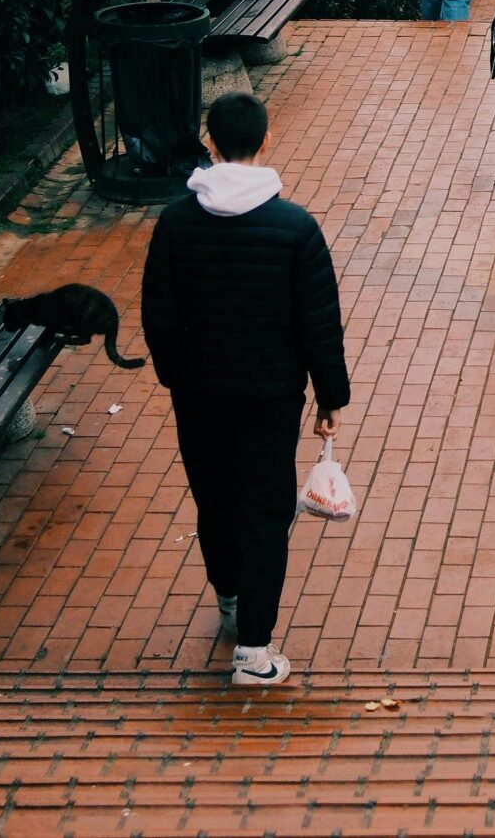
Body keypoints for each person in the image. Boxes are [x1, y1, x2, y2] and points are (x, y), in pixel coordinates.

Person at [140, 92, 349, 689]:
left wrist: (176, 373)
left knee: (214, 500)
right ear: (265, 141)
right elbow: (319, 321)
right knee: (264, 510)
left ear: (210, 144)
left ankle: (229, 600)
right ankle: (254, 652)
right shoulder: (295, 227)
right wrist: (328, 397)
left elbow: (158, 311)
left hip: (199, 394)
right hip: (270, 397)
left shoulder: (176, 221)